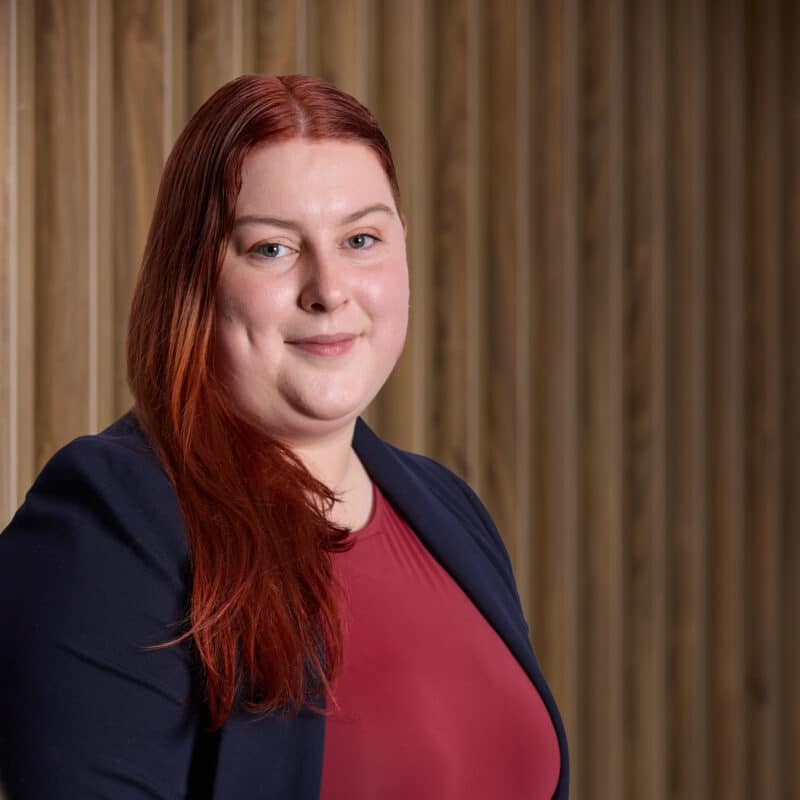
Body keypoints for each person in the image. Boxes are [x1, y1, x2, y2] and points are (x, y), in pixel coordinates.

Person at [0, 74, 568, 799]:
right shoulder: (109, 526)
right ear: (194, 277)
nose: (329, 288)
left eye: (361, 239)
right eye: (272, 249)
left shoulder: (448, 509)